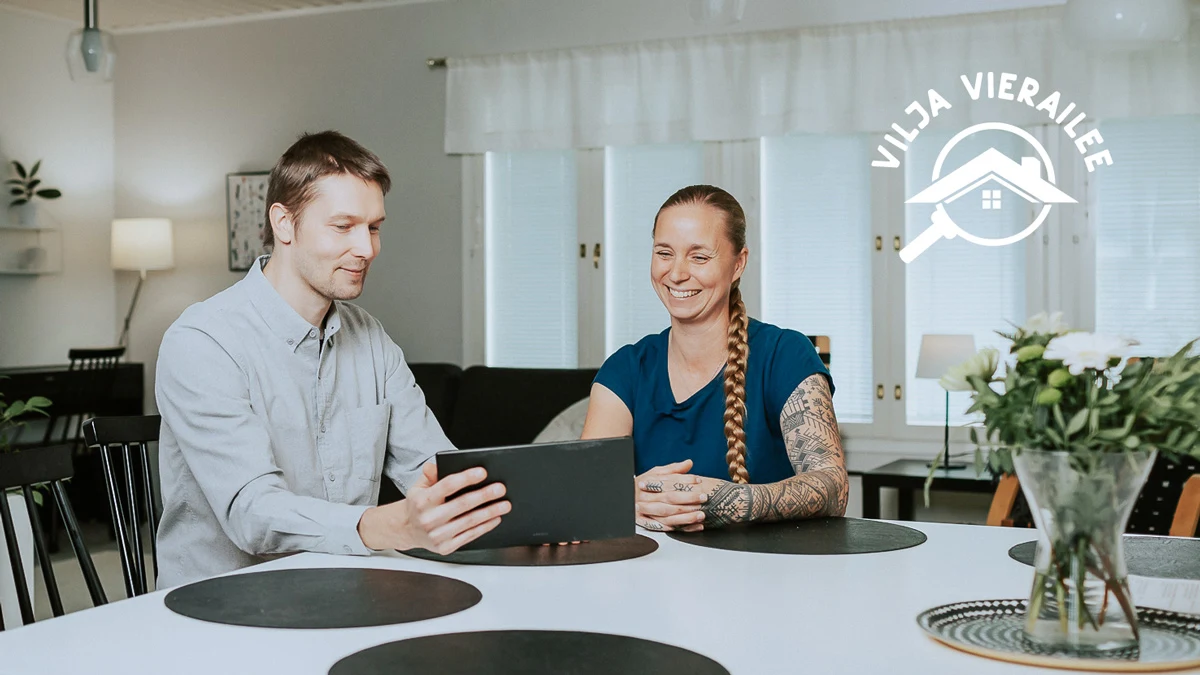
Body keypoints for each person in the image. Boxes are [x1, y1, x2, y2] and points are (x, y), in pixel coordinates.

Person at [154, 131, 508, 587]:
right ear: (284, 224)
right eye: (343, 227)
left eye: (374, 227)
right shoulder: (202, 342)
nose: (367, 249)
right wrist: (390, 525)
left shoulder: (371, 339)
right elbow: (253, 514)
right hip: (220, 606)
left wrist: (532, 516)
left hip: (341, 589)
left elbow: (435, 470)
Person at [581, 185, 848, 532]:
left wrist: (727, 500)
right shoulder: (625, 369)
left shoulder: (785, 355)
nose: (677, 273)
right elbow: (585, 491)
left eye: (699, 257)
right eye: (664, 253)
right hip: (655, 565)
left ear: (738, 264)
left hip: (770, 564)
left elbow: (832, 487)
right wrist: (625, 496)